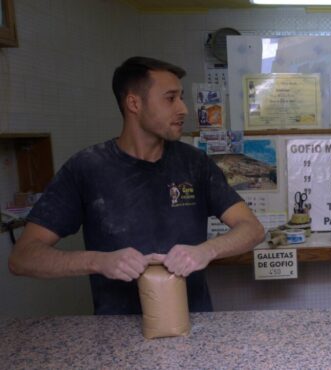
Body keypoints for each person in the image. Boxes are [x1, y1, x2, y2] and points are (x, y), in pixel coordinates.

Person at [8, 56, 265, 315]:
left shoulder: (194, 163)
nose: (183, 109)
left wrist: (206, 251)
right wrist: (99, 261)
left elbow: (252, 229)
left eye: (181, 97)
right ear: (134, 103)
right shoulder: (87, 168)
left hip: (192, 326)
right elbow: (23, 257)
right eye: (170, 98)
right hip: (117, 335)